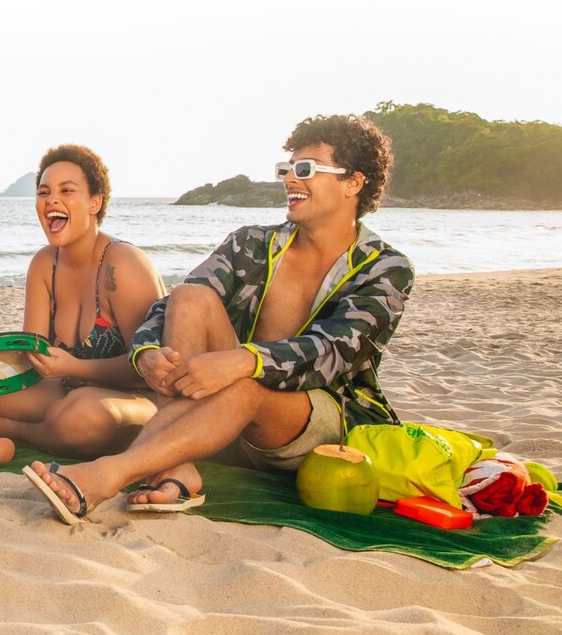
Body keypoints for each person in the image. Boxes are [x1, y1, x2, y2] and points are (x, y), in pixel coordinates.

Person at [26, 114, 414, 520]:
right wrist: (144, 355)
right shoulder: (251, 243)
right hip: (217, 422)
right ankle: (177, 468)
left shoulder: (385, 269)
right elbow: (168, 304)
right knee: (192, 297)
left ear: (354, 182)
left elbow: (335, 349)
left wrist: (243, 360)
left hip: (318, 427)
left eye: (305, 170)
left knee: (246, 386)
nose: (289, 180)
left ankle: (109, 474)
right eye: (286, 169)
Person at [0, 145, 165, 467]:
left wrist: (74, 367)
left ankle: (4, 430)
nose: (51, 200)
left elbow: (146, 371)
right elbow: (31, 359)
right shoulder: (43, 264)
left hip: (131, 400)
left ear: (96, 201)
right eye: (44, 192)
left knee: (79, 414)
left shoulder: (124, 264)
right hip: (59, 391)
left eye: (67, 190)